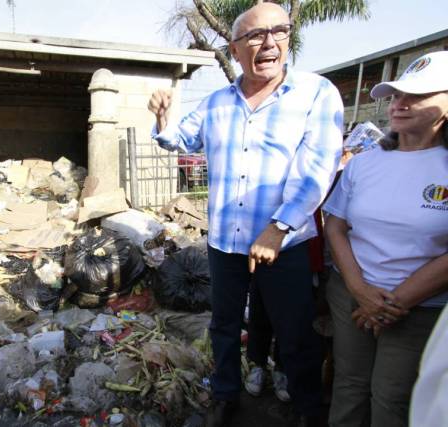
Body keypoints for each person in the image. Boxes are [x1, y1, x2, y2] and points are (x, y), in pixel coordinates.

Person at [147, 3, 344, 426]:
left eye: (279, 31)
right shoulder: (218, 103)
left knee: (294, 333)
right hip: (225, 240)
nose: (269, 42)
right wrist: (164, 116)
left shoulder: (316, 93)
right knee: (223, 327)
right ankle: (225, 396)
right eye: (255, 35)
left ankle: (309, 408)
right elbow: (179, 139)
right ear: (235, 49)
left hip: (285, 242)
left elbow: (317, 169)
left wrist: (278, 228)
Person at [323, 51, 448, 427]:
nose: (400, 103)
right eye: (395, 94)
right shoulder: (365, 161)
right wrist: (360, 291)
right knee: (349, 385)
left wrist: (394, 302)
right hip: (352, 298)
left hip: (419, 309)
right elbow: (335, 226)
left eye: (417, 95)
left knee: (393, 397)